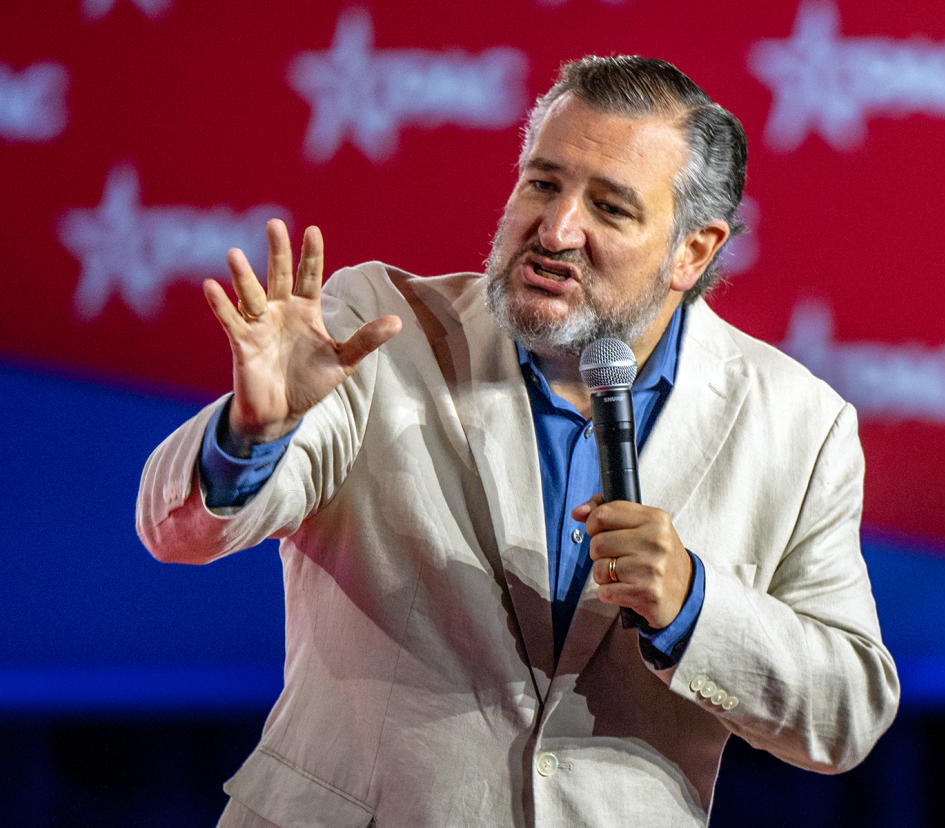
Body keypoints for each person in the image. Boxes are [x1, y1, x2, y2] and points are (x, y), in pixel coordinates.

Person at [137, 55, 899, 827]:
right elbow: (182, 532)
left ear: (692, 252)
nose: (557, 229)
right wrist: (252, 433)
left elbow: (845, 713)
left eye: (610, 207)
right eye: (543, 183)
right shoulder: (377, 331)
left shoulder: (799, 424)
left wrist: (691, 605)